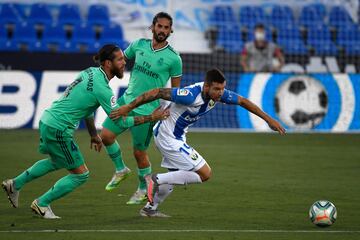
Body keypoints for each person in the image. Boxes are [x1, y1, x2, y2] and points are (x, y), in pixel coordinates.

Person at [1, 44, 169, 219]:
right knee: (81, 175)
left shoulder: (89, 72)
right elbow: (120, 120)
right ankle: (42, 204)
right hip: (59, 128)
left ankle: (15, 184)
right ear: (107, 63)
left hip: (48, 121)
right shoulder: (103, 89)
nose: (124, 62)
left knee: (57, 162)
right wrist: (150, 118)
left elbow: (88, 108)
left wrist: (93, 135)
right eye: (119, 59)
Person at [109, 68, 286, 217]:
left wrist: (269, 119)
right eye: (217, 89)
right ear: (207, 86)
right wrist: (128, 107)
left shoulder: (218, 95)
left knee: (175, 177)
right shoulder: (190, 95)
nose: (220, 93)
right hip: (168, 137)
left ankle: (150, 209)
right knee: (205, 173)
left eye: (222, 89)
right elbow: (157, 92)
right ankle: (154, 179)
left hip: (174, 136)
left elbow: (242, 100)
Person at [101, 12, 182, 205]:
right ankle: (121, 170)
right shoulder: (138, 45)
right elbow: (118, 63)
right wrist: (103, 82)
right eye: (159, 26)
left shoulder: (174, 58)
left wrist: (168, 112)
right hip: (125, 102)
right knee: (105, 136)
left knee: (139, 153)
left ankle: (143, 187)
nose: (162, 30)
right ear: (152, 27)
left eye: (166, 27)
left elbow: (176, 90)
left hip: (149, 110)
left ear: (170, 31)